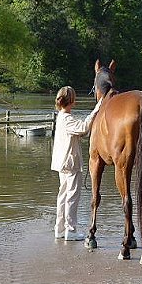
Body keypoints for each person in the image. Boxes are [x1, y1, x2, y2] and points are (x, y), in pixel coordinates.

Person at [51, 86, 102, 241]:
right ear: (72, 101)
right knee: (72, 196)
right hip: (70, 162)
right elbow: (84, 128)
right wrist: (96, 109)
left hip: (62, 162)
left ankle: (59, 229)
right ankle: (70, 231)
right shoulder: (67, 119)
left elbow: (81, 132)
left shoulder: (61, 116)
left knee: (63, 195)